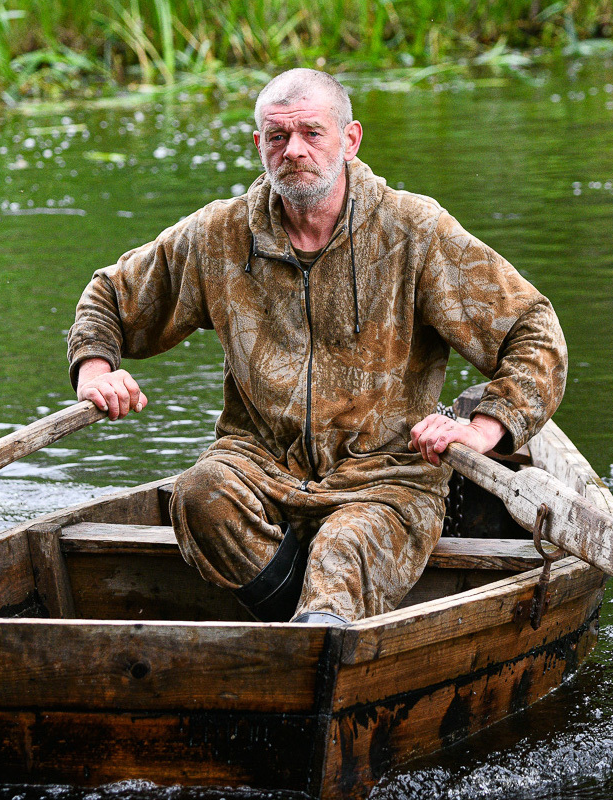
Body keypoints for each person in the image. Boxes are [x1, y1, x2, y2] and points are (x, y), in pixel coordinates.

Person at [68, 68, 566, 626]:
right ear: (260, 146)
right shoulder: (220, 235)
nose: (294, 150)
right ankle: (299, 625)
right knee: (198, 494)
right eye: (277, 137)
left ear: (350, 140)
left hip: (386, 476)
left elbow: (534, 330)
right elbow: (110, 294)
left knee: (344, 551)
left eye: (312, 133)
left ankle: (316, 634)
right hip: (259, 464)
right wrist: (95, 367)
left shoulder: (414, 232)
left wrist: (484, 429)